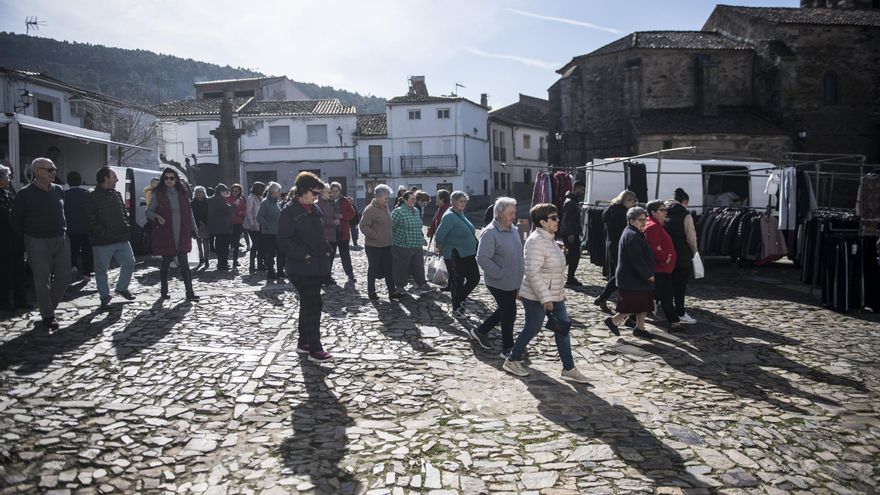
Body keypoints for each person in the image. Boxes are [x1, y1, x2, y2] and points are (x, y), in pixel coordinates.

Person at [501, 203, 589, 384]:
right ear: (542, 222)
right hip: (537, 296)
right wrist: (545, 298)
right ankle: (512, 360)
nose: (558, 221)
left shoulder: (549, 239)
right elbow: (532, 272)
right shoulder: (535, 242)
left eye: (557, 217)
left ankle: (569, 368)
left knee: (563, 329)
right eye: (554, 218)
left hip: (555, 294)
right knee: (532, 328)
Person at [277, 172, 334, 363]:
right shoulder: (289, 211)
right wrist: (304, 254)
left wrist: (326, 248)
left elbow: (319, 235)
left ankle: (304, 343)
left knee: (308, 304)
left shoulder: (314, 209)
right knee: (313, 304)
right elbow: (284, 240)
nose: (316, 197)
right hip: (300, 268)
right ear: (303, 190)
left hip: (316, 265)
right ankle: (315, 349)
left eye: (318, 194)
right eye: (314, 193)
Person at [11, 158, 71, 329]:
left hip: (61, 237)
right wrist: (26, 240)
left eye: (54, 169)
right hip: (37, 240)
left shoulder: (59, 190)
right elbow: (15, 220)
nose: (54, 172)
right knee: (41, 278)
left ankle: (48, 308)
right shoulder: (25, 194)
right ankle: (48, 315)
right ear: (37, 171)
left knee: (65, 275)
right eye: (49, 170)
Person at [471, 197, 524, 357]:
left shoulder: (513, 229)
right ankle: (508, 348)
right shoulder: (490, 232)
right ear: (500, 213)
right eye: (510, 213)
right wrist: (499, 273)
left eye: (514, 212)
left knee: (505, 310)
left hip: (512, 280)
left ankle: (480, 331)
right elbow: (482, 258)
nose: (514, 216)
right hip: (498, 282)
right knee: (509, 312)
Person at [82, 166, 136, 307]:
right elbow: (90, 219)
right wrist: (103, 233)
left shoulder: (117, 194)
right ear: (105, 178)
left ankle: (121, 287)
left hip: (121, 238)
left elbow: (124, 214)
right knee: (101, 271)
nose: (117, 179)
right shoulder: (90, 195)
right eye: (114, 176)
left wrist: (127, 229)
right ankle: (104, 296)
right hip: (102, 241)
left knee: (129, 262)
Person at [147, 167, 199, 301]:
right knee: (165, 265)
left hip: (182, 233)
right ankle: (164, 291)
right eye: (166, 178)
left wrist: (194, 228)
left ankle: (190, 292)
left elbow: (189, 212)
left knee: (184, 265)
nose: (169, 181)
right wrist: (157, 217)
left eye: (171, 178)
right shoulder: (158, 194)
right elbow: (148, 212)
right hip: (166, 234)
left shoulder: (183, 193)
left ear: (176, 179)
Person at [604, 207, 655, 339]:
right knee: (633, 305)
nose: (643, 223)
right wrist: (648, 275)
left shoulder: (634, 232)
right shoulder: (632, 236)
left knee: (643, 304)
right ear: (631, 220)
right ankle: (613, 321)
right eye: (640, 220)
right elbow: (637, 260)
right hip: (632, 278)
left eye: (645, 220)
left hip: (636, 278)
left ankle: (640, 328)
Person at [434, 190, 478, 315]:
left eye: (465, 201)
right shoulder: (449, 216)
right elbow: (439, 235)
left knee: (474, 279)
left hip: (468, 253)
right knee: (457, 282)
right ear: (453, 202)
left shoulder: (460, 213)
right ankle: (457, 307)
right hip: (455, 254)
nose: (463, 204)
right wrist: (444, 247)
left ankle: (460, 299)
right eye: (461, 201)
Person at [593, 190, 638, 313]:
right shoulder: (622, 213)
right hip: (619, 245)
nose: (633, 205)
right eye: (633, 203)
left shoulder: (610, 209)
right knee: (619, 275)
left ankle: (607, 299)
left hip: (611, 243)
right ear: (627, 200)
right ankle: (603, 297)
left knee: (616, 275)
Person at [359, 184, 404, 301]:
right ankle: (371, 291)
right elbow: (363, 226)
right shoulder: (370, 209)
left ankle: (392, 292)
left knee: (389, 269)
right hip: (374, 246)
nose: (387, 200)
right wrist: (375, 235)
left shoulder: (385, 207)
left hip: (387, 244)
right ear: (378, 197)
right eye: (386, 198)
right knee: (373, 269)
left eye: (388, 198)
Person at [644, 200, 681, 330]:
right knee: (665, 296)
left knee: (655, 296)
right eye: (662, 210)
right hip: (660, 268)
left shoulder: (655, 224)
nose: (665, 213)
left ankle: (630, 318)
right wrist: (665, 258)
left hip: (662, 268)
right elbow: (653, 248)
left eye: (665, 210)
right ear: (653, 212)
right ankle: (674, 322)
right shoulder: (652, 226)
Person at [665, 188, 699, 324]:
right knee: (680, 287)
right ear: (685, 201)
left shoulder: (662, 210)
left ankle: (658, 307)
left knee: (666, 284)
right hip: (681, 255)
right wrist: (695, 252)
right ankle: (680, 313)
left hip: (666, 255)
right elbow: (691, 238)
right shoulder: (685, 214)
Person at [391, 191, 435, 295]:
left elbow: (419, 226)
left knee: (418, 266)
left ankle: (422, 284)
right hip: (403, 245)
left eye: (415, 199)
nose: (413, 201)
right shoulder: (398, 212)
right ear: (405, 200)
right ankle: (400, 286)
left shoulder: (416, 210)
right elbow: (390, 227)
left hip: (417, 244)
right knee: (402, 267)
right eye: (411, 199)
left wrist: (422, 237)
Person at [0, 164, 30, 312]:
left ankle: (20, 299)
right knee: (4, 272)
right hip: (4, 240)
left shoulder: (8, 193)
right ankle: (4, 301)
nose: (9, 179)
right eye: (7, 176)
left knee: (19, 271)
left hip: (15, 239)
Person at [64, 171, 93, 281]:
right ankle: (87, 273)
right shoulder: (87, 194)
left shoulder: (64, 195)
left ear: (68, 182)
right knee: (87, 251)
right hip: (86, 229)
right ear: (80, 181)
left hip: (70, 229)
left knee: (72, 250)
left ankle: (73, 266)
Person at [329, 182, 357, 283]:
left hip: (343, 233)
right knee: (330, 255)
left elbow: (352, 213)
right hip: (331, 233)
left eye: (337, 191)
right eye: (333, 191)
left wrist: (342, 216)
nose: (335, 193)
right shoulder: (327, 201)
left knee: (345, 255)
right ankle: (327, 275)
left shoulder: (345, 201)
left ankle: (350, 274)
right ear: (330, 191)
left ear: (339, 191)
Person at [207, 183, 238, 272]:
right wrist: (235, 204)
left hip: (218, 227)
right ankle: (222, 263)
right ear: (221, 192)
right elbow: (228, 210)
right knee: (223, 247)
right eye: (225, 192)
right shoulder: (218, 200)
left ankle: (222, 263)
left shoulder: (214, 199)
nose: (227, 194)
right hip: (222, 227)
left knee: (220, 246)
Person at [561, 180, 586, 287]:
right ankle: (570, 278)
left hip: (572, 232)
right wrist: (570, 233)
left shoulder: (572, 201)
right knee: (573, 256)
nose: (583, 192)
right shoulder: (570, 202)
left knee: (572, 255)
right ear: (576, 189)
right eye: (582, 190)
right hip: (570, 233)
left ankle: (569, 277)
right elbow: (567, 219)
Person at [257, 182, 283, 281]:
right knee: (271, 254)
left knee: (281, 253)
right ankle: (271, 272)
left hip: (278, 232)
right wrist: (268, 226)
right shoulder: (265, 203)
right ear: (274, 192)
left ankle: (280, 271)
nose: (280, 193)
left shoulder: (276, 202)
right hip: (269, 234)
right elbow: (259, 218)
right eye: (279, 191)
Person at [427, 189, 452, 291]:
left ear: (442, 199)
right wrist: (431, 231)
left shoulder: (447, 210)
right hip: (440, 240)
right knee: (445, 261)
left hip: (445, 241)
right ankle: (446, 279)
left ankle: (451, 283)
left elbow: (445, 226)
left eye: (437, 197)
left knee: (449, 262)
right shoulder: (440, 208)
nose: (435, 199)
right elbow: (435, 220)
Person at [316, 184, 340, 285]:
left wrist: (336, 216)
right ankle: (324, 277)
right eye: (328, 192)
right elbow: (320, 219)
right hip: (325, 236)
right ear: (321, 193)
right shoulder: (317, 204)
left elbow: (331, 214)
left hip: (332, 235)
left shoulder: (328, 203)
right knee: (325, 258)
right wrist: (332, 222)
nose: (330, 194)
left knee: (330, 258)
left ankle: (328, 276)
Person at [243, 181, 266, 273]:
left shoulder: (259, 197)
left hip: (259, 225)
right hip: (252, 225)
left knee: (260, 245)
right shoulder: (250, 198)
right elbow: (248, 212)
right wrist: (252, 224)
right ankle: (252, 265)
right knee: (255, 245)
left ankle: (260, 264)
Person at [227, 183, 247, 269]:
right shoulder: (227, 198)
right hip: (228, 223)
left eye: (236, 190)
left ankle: (235, 260)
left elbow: (245, 211)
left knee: (236, 243)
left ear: (239, 191)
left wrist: (240, 213)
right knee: (227, 242)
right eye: (233, 190)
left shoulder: (241, 200)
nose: (234, 192)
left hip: (238, 223)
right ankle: (225, 260)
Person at [191, 186, 210, 269]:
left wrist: (205, 223)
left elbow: (209, 213)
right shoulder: (192, 203)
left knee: (206, 242)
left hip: (206, 224)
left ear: (204, 193)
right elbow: (193, 214)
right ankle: (201, 258)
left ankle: (206, 259)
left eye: (200, 192)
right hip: (196, 224)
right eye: (197, 192)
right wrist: (198, 223)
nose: (199, 194)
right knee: (198, 242)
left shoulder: (208, 202)